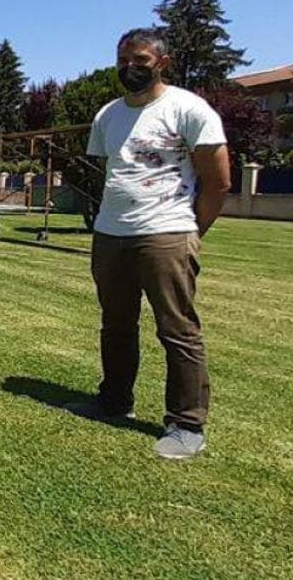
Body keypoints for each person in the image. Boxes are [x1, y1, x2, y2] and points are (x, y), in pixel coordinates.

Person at [73, 28, 230, 460]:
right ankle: (113, 399)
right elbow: (111, 174)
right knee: (116, 323)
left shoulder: (188, 109)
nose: (129, 68)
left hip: (167, 233)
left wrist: (189, 231)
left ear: (162, 61)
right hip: (111, 234)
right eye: (123, 60)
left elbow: (219, 182)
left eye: (139, 60)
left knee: (177, 330)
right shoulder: (109, 114)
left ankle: (186, 423)